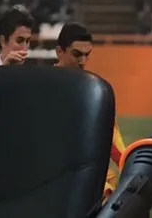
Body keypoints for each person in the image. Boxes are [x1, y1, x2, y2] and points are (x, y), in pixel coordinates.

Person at [52, 22, 127, 200]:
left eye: (87, 55)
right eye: (77, 54)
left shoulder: (94, 92)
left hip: (89, 180)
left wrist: (129, 164)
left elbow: (111, 138)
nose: (83, 62)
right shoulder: (42, 88)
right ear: (59, 51)